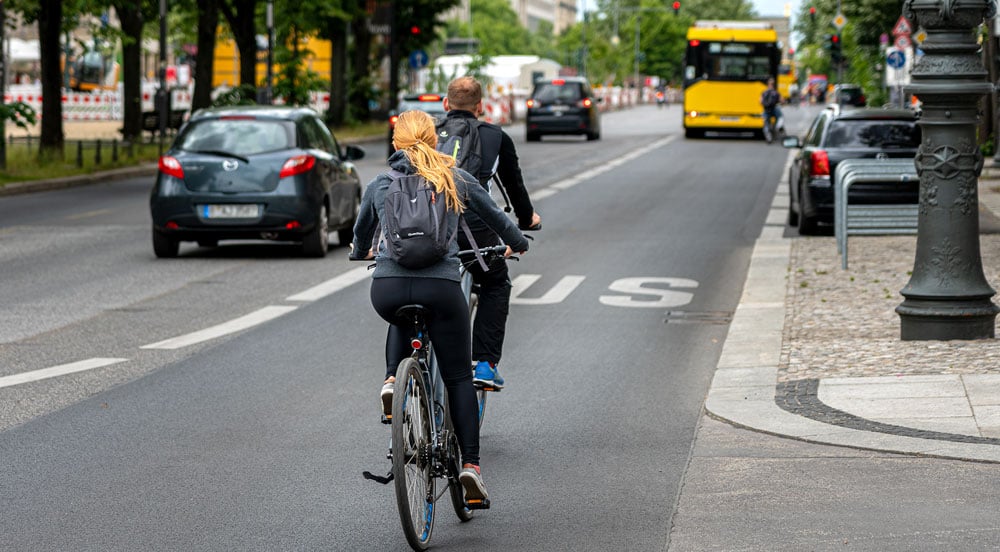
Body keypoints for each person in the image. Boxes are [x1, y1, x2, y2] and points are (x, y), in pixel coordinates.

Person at [350, 110, 530, 503]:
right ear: (434, 140)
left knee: (402, 313)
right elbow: (498, 219)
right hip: (443, 290)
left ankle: (392, 380)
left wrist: (359, 250)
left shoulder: (381, 183)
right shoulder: (455, 178)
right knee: (458, 377)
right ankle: (470, 467)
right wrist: (519, 242)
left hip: (388, 289)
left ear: (396, 143)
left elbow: (361, 233)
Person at [439, 76, 541, 389]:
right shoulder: (495, 136)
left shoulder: (429, 131)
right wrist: (527, 219)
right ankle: (484, 364)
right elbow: (515, 186)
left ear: (446, 104)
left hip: (429, 225)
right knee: (496, 283)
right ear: (481, 107)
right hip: (474, 229)